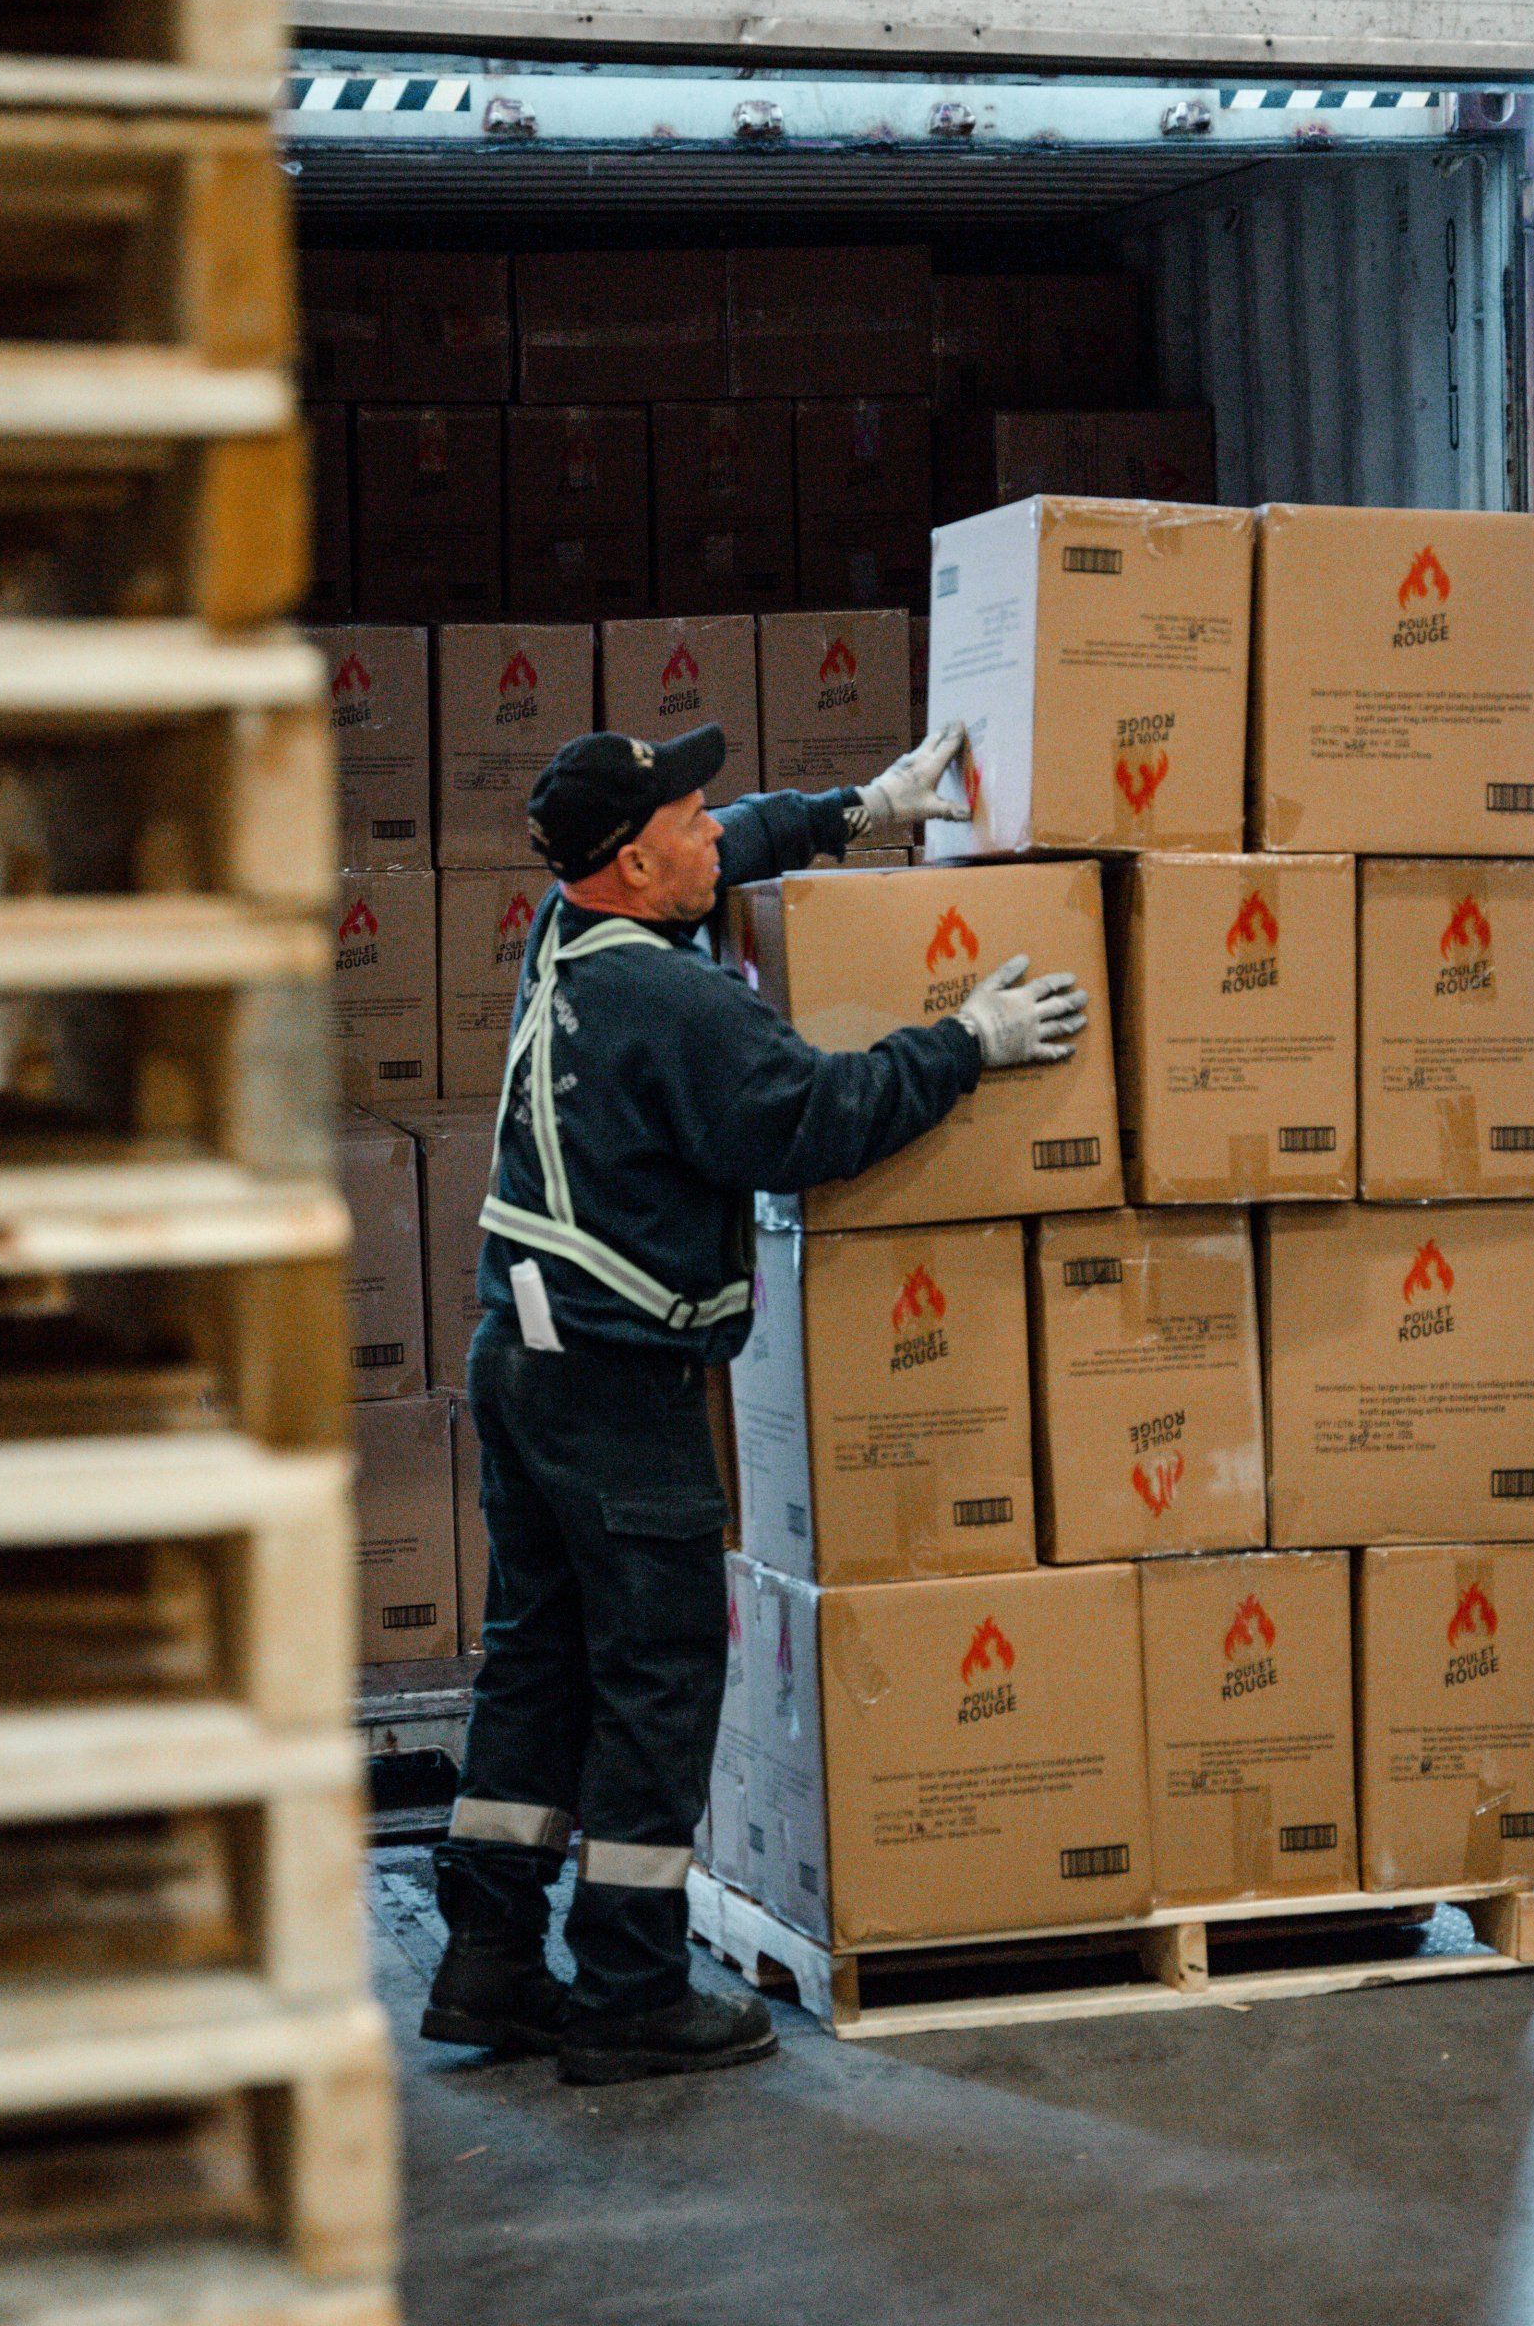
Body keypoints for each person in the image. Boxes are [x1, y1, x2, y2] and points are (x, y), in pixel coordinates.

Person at [420, 718, 1089, 2085]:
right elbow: (810, 1123)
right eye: (688, 812)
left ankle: (488, 1963)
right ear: (626, 856)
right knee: (658, 1682)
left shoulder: (572, 939)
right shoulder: (676, 1005)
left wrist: (861, 810)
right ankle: (627, 1990)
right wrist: (967, 1041)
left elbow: (733, 855)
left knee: (539, 1664)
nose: (714, 826)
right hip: (614, 1389)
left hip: (526, 1364)